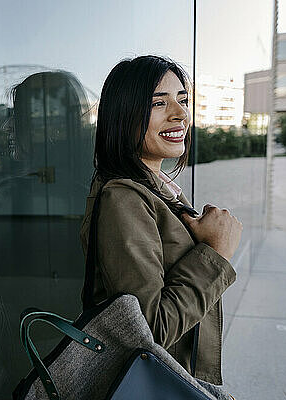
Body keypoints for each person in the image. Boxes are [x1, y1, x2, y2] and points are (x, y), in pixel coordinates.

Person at [79, 55, 242, 389]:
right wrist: (215, 252)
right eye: (159, 103)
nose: (180, 114)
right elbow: (149, 331)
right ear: (124, 117)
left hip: (172, 378)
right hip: (155, 384)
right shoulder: (123, 199)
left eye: (183, 100)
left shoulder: (157, 189)